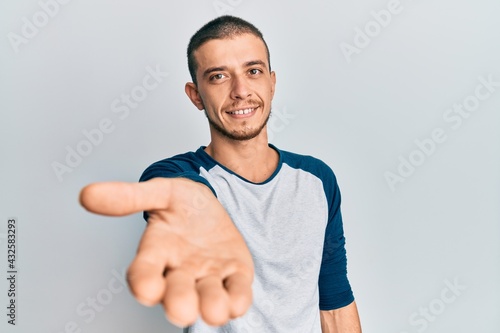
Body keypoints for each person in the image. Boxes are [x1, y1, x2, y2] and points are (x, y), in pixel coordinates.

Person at [80, 15, 362, 332]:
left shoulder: (317, 178)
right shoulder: (179, 173)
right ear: (195, 95)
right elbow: (177, 189)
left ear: (272, 82)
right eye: (218, 77)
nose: (240, 91)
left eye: (253, 71)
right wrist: (195, 202)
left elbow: (334, 300)